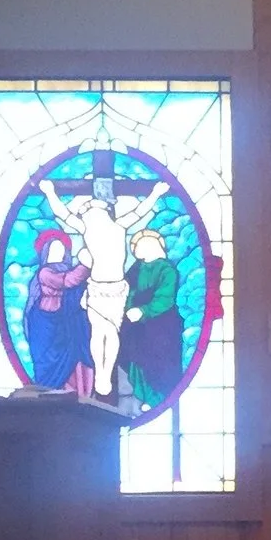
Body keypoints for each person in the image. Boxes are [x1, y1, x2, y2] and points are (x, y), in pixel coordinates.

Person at [42, 169, 166, 400]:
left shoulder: (119, 226)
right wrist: (50, 192)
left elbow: (140, 211)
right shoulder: (88, 229)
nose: (90, 213)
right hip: (97, 288)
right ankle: (101, 373)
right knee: (99, 332)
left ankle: (105, 373)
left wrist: (156, 194)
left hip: (116, 290)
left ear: (105, 212)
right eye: (88, 211)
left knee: (110, 331)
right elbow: (62, 213)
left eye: (93, 210)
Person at [118, 228, 186, 409]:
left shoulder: (167, 269)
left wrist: (143, 311)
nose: (136, 250)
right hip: (138, 327)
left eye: (139, 245)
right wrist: (128, 308)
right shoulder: (137, 268)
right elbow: (127, 289)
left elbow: (165, 298)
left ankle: (157, 399)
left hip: (162, 326)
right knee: (136, 359)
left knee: (159, 363)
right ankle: (144, 396)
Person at [22, 229, 92, 394]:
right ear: (46, 252)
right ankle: (47, 394)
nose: (58, 252)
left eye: (61, 249)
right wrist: (85, 266)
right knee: (48, 363)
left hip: (67, 320)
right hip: (46, 322)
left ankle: (75, 393)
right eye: (54, 248)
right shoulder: (45, 272)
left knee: (72, 357)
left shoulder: (69, 269)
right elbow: (67, 281)